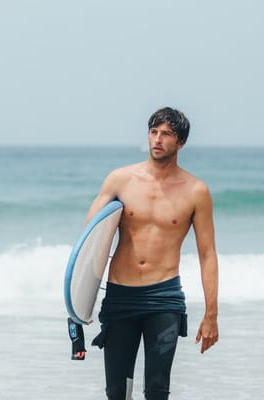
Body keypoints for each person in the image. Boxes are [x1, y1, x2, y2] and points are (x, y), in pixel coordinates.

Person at [86, 107, 219, 400]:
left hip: (164, 297)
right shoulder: (120, 180)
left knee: (158, 390)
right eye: (153, 132)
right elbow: (89, 240)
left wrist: (211, 314)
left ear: (180, 142)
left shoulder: (196, 191)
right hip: (121, 295)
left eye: (167, 134)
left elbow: (207, 254)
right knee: (117, 392)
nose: (157, 139)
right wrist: (79, 302)